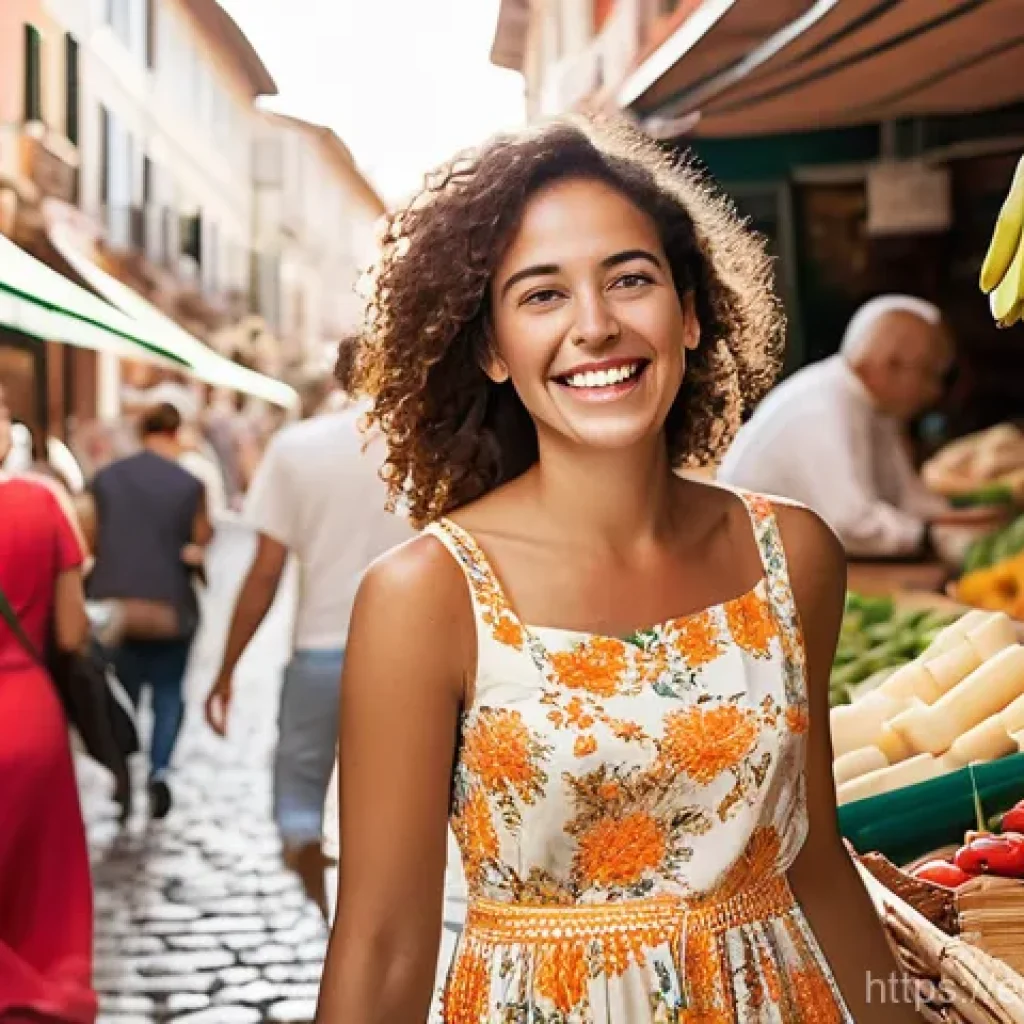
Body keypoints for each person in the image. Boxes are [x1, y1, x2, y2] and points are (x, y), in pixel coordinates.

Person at [314, 118, 919, 1023]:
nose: (594, 328)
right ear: (490, 348)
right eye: (542, 295)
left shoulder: (794, 554)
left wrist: (895, 1013)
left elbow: (813, 858)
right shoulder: (426, 596)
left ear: (689, 312)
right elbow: (383, 944)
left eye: (630, 280)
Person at [204, 344, 413, 916]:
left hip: (320, 650)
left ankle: (305, 847)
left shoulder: (298, 448)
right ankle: (379, 896)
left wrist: (226, 670)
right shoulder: (428, 443)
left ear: (334, 378)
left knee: (298, 779)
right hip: (410, 656)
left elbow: (265, 572)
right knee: (399, 796)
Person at [717, 295, 958, 557]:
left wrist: (955, 520)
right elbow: (851, 525)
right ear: (891, 363)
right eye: (929, 374)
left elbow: (904, 495)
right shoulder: (823, 404)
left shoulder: (873, 408)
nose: (933, 392)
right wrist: (929, 536)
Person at [0, 385, 97, 1023]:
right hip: (27, 714)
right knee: (41, 882)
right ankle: (38, 990)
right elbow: (71, 633)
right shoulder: (42, 502)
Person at [86, 402, 213, 819]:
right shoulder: (189, 484)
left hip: (116, 608)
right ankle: (159, 770)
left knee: (121, 697)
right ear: (176, 433)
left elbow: (87, 536)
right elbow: (201, 538)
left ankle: (122, 773)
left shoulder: (106, 478)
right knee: (169, 692)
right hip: (168, 605)